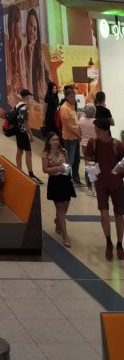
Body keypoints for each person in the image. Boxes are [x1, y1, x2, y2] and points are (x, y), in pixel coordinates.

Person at [85, 118, 124, 259]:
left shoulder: (118, 145)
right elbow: (88, 157)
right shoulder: (92, 143)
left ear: (106, 130)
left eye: (98, 130)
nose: (96, 132)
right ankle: (108, 241)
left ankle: (120, 243)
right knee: (104, 214)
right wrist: (90, 164)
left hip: (117, 184)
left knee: (119, 215)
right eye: (96, 129)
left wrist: (121, 169)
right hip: (101, 183)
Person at [42, 131, 75, 247]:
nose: (56, 142)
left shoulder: (63, 151)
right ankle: (65, 235)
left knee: (65, 207)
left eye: (57, 139)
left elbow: (68, 165)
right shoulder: (45, 154)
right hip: (55, 182)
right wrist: (57, 168)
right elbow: (45, 170)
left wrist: (66, 168)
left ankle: (58, 221)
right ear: (49, 142)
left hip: (65, 181)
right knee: (60, 208)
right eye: (53, 140)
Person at [23, 7, 51, 103]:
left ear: (37, 34)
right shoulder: (22, 53)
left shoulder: (40, 54)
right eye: (30, 26)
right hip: (29, 102)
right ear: (26, 27)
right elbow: (27, 87)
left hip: (42, 101)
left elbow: (48, 77)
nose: (32, 31)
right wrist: (30, 56)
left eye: (35, 28)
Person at [14, 89, 42, 183]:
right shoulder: (24, 108)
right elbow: (25, 122)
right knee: (28, 153)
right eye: (29, 96)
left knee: (19, 151)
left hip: (17, 131)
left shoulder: (17, 105)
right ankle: (30, 173)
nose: (30, 98)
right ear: (26, 97)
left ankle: (19, 171)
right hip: (22, 132)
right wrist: (30, 134)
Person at [59, 86, 82, 185]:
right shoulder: (64, 108)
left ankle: (75, 179)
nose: (74, 98)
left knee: (76, 160)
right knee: (69, 160)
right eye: (72, 97)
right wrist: (78, 135)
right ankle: (64, 180)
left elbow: (74, 122)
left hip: (75, 138)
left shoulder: (71, 106)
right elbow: (68, 126)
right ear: (67, 97)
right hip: (69, 138)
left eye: (74, 96)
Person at [5, 5, 26, 99]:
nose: (21, 26)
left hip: (19, 95)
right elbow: (7, 84)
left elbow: (23, 79)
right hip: (10, 96)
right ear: (13, 24)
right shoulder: (7, 46)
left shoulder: (20, 47)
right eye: (19, 21)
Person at [79, 103, 97, 189]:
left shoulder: (81, 120)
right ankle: (94, 183)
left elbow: (79, 132)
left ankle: (88, 183)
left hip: (84, 144)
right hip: (94, 145)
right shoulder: (96, 121)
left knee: (87, 163)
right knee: (94, 164)